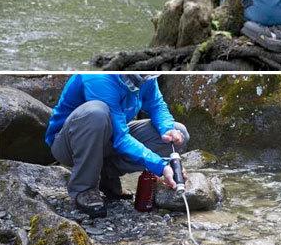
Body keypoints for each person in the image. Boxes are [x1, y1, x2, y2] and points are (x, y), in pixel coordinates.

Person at [45, 74, 189, 218]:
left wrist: (167, 129)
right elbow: (121, 138)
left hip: (111, 134)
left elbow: (156, 105)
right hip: (68, 143)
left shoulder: (146, 76)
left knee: (179, 131)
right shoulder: (98, 78)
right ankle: (84, 189)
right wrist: (160, 165)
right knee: (96, 113)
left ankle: (105, 175)